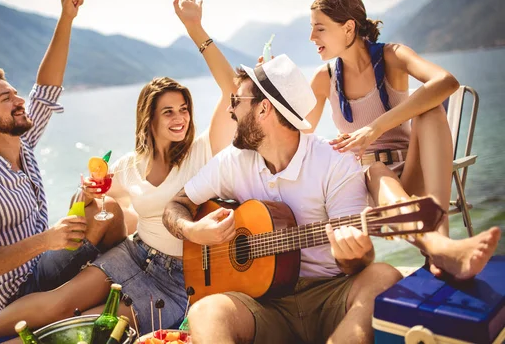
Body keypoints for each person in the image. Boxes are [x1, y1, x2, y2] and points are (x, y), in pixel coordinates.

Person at [0, 0, 238, 344]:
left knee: (91, 328)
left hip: (177, 278)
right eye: (168, 111)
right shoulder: (130, 164)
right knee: (60, 304)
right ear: (148, 119)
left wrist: (196, 29)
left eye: (184, 109)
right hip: (134, 255)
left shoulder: (204, 150)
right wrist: (87, 191)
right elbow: (98, 198)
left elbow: (233, 91)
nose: (179, 118)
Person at [162, 54, 404, 344]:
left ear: (264, 109)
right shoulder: (232, 161)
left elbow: (357, 265)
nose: (230, 109)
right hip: (265, 304)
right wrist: (192, 230)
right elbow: (177, 205)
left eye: (237, 100)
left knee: (383, 276)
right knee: (204, 313)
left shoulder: (335, 162)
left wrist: (354, 255)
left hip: (330, 292)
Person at [302, 0, 500, 278]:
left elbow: (446, 82)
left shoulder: (392, 56)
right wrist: (271, 89)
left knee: (431, 110)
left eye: (320, 28)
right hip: (370, 190)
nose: (312, 38)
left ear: (348, 29)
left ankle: (439, 244)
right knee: (377, 169)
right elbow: (299, 132)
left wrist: (375, 127)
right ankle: (442, 250)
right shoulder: (324, 79)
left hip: (413, 174)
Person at [0, 0, 113, 317]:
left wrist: (66, 17)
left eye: (15, 93)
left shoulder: (22, 142)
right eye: (6, 99)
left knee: (105, 210)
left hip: (44, 264)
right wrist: (45, 241)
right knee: (112, 214)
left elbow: (47, 87)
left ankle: (105, 281)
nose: (20, 101)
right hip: (20, 293)